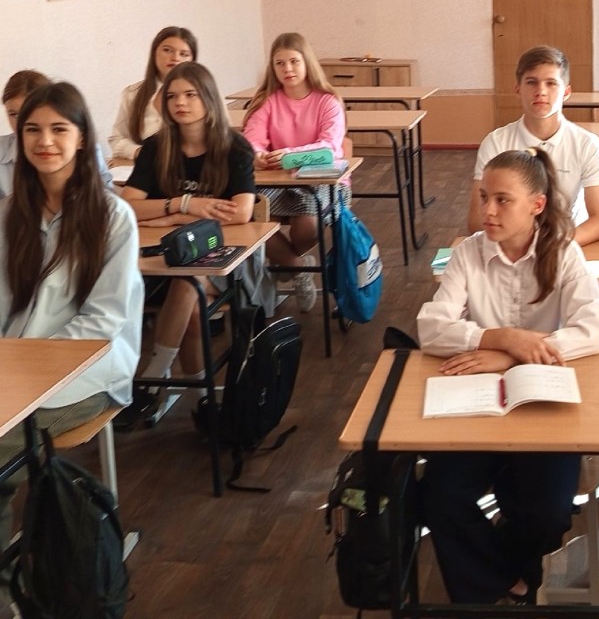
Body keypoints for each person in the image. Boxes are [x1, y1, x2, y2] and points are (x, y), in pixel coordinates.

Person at [417, 148, 599, 605]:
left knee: (550, 511)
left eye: (503, 200)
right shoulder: (468, 253)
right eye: (484, 197)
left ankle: (496, 573)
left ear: (537, 205)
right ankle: (504, 583)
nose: (488, 211)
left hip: (543, 400)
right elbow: (431, 327)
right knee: (440, 497)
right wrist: (502, 338)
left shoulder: (564, 253)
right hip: (476, 401)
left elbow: (589, 332)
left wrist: (512, 356)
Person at [0, 82, 143, 560]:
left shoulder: (112, 217)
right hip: (14, 371)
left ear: (82, 138)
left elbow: (102, 321)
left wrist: (26, 366)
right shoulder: (9, 215)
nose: (45, 141)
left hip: (86, 373)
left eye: (59, 129)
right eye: (32, 130)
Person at [120, 62, 255, 425]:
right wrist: (183, 206)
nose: (180, 103)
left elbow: (241, 212)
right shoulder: (156, 147)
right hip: (164, 258)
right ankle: (202, 400)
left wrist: (173, 218)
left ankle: (152, 379)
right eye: (173, 96)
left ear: (208, 99)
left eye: (190, 95)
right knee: (191, 307)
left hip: (229, 260)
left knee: (187, 280)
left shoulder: (234, 147)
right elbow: (128, 207)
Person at [242, 32, 348, 313]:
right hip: (276, 179)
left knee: (308, 221)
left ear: (307, 63)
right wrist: (257, 155)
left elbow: (330, 148)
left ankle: (283, 265)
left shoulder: (327, 101)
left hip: (322, 179)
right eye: (279, 63)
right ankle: (298, 267)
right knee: (248, 214)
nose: (287, 69)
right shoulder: (267, 101)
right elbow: (251, 139)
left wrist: (289, 156)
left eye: (294, 61)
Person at [469, 45, 599, 245]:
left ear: (566, 92)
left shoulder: (588, 145)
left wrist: (552, 245)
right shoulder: (496, 143)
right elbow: (476, 221)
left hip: (564, 244)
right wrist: (523, 247)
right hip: (509, 246)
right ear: (517, 89)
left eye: (551, 83)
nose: (541, 91)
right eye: (531, 82)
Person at [3, 70, 113, 198]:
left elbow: (105, 197)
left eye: (28, 114)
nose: (20, 123)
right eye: (13, 114)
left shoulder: (85, 148)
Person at [109, 26, 197, 160]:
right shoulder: (133, 93)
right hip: (143, 165)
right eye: (167, 50)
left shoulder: (204, 93)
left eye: (184, 54)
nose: (175, 58)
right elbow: (117, 139)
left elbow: (220, 137)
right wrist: (142, 153)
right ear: (154, 52)